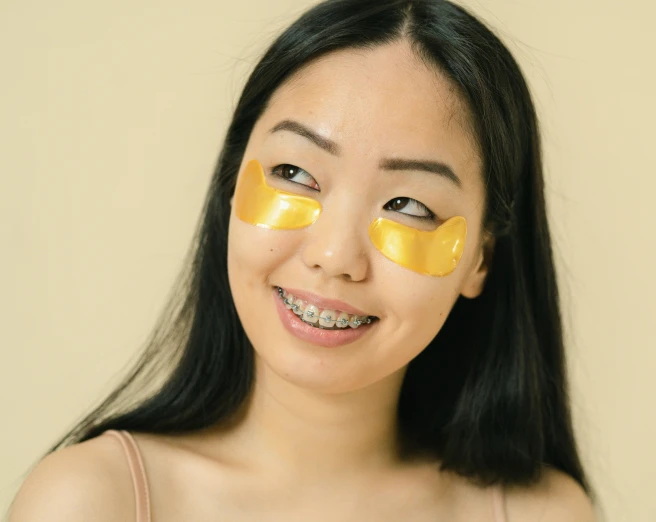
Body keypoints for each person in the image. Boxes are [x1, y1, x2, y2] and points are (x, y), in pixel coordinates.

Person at [9, 0, 595, 520]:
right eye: (294, 174)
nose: (334, 256)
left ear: (479, 261)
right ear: (233, 187)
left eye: (409, 205)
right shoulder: (88, 502)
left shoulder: (542, 514)